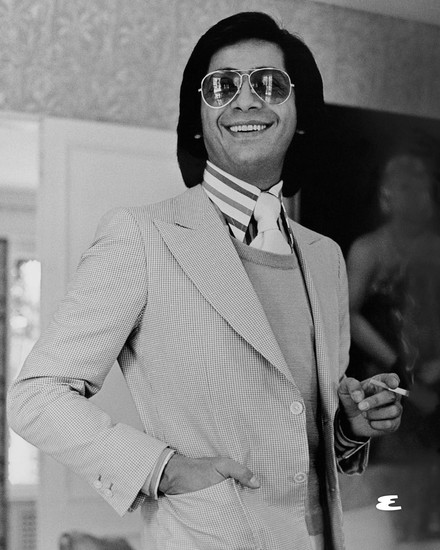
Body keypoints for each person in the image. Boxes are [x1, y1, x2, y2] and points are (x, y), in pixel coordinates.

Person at [7, 12, 402, 550]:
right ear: (198, 117)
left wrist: (350, 427)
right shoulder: (142, 237)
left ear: (299, 112)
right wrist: (163, 469)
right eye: (222, 87)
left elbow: (299, 441)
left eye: (269, 84)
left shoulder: (326, 257)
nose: (245, 101)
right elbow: (36, 396)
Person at [346, 152, 440, 542]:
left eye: (420, 183)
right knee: (392, 489)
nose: (413, 192)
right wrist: (398, 366)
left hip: (434, 379)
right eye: (402, 184)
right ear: (386, 194)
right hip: (387, 382)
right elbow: (348, 315)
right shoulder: (368, 249)